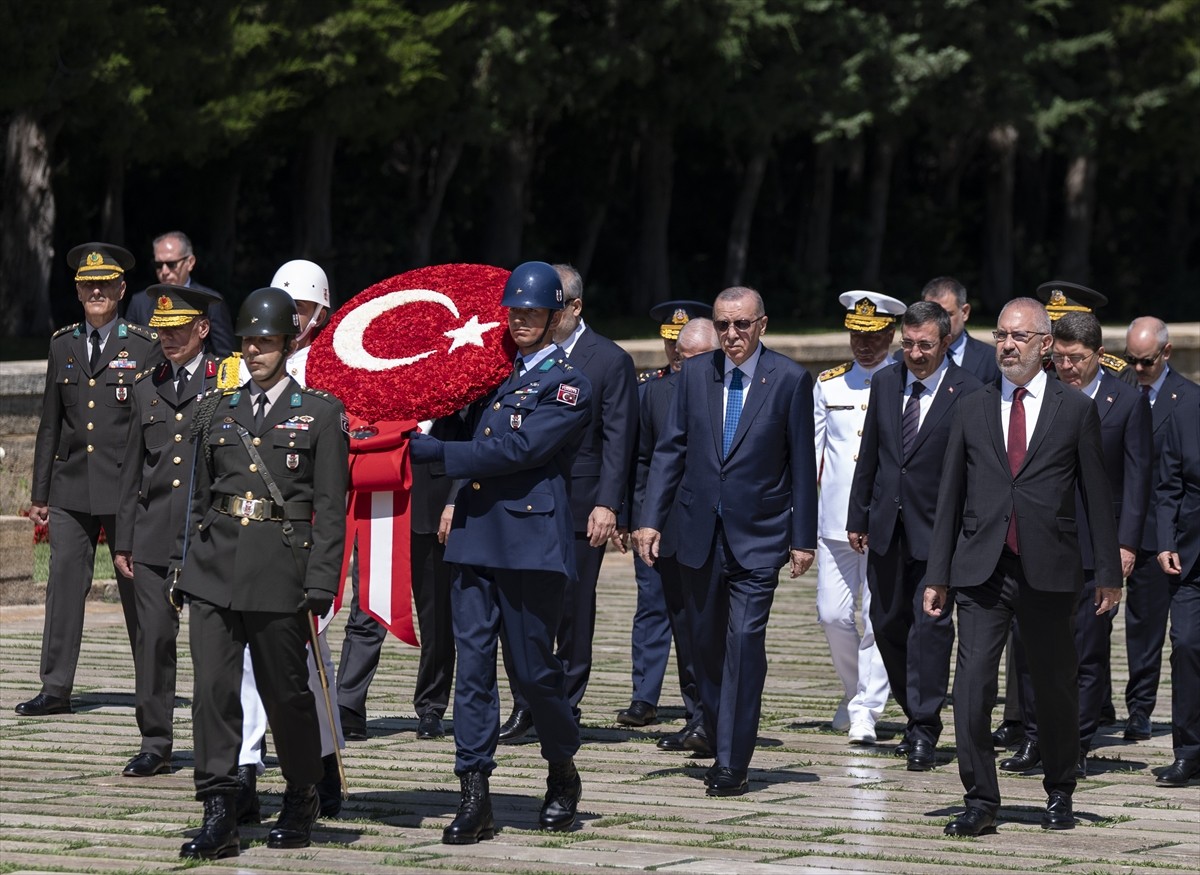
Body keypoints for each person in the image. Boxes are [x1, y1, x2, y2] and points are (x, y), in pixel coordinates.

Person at [408, 261, 592, 843]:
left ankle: (561, 767)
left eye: (533, 312)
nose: (521, 321)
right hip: (474, 534)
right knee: (473, 667)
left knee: (535, 672)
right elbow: (456, 416)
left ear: (556, 316)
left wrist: (438, 456)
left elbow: (520, 449)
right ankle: (474, 791)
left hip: (529, 542)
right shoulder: (489, 373)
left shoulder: (569, 383)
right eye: (514, 312)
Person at [924, 297, 1121, 836]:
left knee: (1054, 686)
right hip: (981, 570)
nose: (1007, 345)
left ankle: (1060, 788)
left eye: (1019, 336)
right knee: (971, 688)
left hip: (1049, 571)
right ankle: (980, 799)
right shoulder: (971, 405)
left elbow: (1096, 496)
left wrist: (1108, 573)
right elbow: (950, 495)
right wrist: (937, 574)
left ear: (1045, 344)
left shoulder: (1074, 409)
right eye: (1001, 335)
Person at [174, 287, 348, 859]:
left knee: (286, 693)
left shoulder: (320, 413)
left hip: (280, 571)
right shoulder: (217, 409)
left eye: (266, 342)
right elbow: (199, 497)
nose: (254, 351)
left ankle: (302, 792)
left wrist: (321, 582)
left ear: (289, 343)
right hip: (214, 568)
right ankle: (219, 807)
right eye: (248, 341)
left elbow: (331, 508)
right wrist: (184, 564)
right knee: (211, 692)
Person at [634, 286, 818, 797]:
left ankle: (733, 761)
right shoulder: (694, 374)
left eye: (741, 324)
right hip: (697, 533)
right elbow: (669, 450)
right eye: (722, 325)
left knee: (744, 642)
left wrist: (802, 537)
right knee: (705, 646)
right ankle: (717, 729)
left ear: (762, 325)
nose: (731, 334)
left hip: (759, 535)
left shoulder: (789, 379)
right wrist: (650, 519)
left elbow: (802, 463)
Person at [1002, 312, 1150, 777]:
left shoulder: (1126, 401)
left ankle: (1077, 742)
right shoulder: (1039, 394)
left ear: (1098, 355)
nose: (1067, 367)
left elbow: (1137, 479)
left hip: (1094, 546)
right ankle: (1033, 737)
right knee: (1029, 647)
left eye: (1077, 359)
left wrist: (1125, 544)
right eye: (1060, 358)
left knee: (1086, 650)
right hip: (1042, 542)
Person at [17, 243, 157, 719]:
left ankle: (150, 687)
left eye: (105, 285)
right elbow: (50, 423)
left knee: (137, 589)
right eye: (88, 285)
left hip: (125, 487)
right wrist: (40, 493)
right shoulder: (63, 344)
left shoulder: (143, 345)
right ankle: (55, 688)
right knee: (62, 586)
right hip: (71, 485)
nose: (96, 292)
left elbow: (152, 422)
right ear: (77, 292)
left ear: (121, 289)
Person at [498, 264, 637, 742]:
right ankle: (525, 704)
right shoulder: (517, 355)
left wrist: (608, 503)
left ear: (574, 307)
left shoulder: (609, 359)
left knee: (573, 610)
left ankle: (565, 703)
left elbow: (619, 439)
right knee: (520, 607)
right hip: (523, 499)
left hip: (580, 503)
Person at [847, 301, 983, 768]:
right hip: (887, 527)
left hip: (939, 533)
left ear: (946, 342)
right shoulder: (887, 382)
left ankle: (925, 727)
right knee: (885, 624)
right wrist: (858, 515)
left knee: (930, 630)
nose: (916, 354)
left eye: (925, 345)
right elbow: (871, 453)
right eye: (908, 344)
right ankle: (913, 712)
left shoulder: (970, 391)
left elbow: (973, 468)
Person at [112, 284, 221, 778]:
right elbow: (132, 469)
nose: (168, 339)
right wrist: (124, 539)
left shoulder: (226, 382)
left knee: (213, 647)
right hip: (154, 533)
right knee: (153, 641)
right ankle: (154, 742)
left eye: (178, 329)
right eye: (162, 331)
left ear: (202, 328)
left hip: (208, 533)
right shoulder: (145, 386)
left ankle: (220, 744)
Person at [337, 411, 466, 741]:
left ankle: (431, 706)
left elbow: (471, 439)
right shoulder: (375, 384)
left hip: (432, 504)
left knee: (436, 617)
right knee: (367, 607)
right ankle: (348, 705)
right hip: (378, 497)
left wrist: (455, 501)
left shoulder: (451, 386)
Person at [813, 291, 905, 744]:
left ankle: (867, 709)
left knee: (875, 615)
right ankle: (854, 692)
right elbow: (813, 454)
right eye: (857, 336)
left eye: (874, 336)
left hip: (883, 518)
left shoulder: (904, 381)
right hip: (834, 519)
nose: (864, 345)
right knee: (831, 614)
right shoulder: (828, 384)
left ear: (891, 334)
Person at [626, 316, 720, 750]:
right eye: (682, 358)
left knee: (715, 628)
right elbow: (644, 461)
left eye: (698, 358)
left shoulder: (734, 390)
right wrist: (642, 519)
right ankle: (696, 716)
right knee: (681, 625)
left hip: (721, 528)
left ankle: (719, 716)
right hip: (669, 529)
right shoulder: (655, 392)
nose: (687, 366)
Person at [1122, 317, 1200, 742]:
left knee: (1182, 635)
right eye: (1131, 360)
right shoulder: (1121, 391)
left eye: (1146, 362)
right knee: (1141, 627)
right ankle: (1138, 708)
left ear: (1166, 353)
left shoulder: (1188, 398)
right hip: (1136, 528)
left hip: (1175, 531)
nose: (1137, 369)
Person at [1153, 395, 1200, 787]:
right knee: (1185, 645)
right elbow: (1168, 487)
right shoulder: (1185, 413)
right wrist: (1165, 541)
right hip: (1191, 557)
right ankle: (1188, 752)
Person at [124, 231, 235, 357]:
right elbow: (128, 351)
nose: (164, 271)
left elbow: (225, 355)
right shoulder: (140, 302)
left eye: (171, 264)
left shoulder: (211, 301)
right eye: (158, 265)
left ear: (190, 262)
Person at [915, 277, 1000, 383]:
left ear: (964, 312)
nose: (939, 322)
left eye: (947, 314)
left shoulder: (991, 360)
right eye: (931, 315)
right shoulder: (905, 358)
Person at [638, 300, 712, 383]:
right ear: (664, 343)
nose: (677, 349)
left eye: (685, 342)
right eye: (672, 342)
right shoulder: (649, 383)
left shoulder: (714, 381)